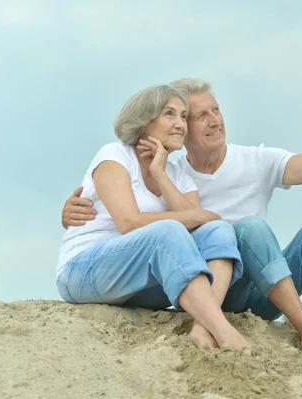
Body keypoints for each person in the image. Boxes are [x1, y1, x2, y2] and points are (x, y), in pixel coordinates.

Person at [62, 78, 302, 361]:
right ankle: (281, 327)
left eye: (216, 110)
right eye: (198, 116)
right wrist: (72, 209)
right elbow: (138, 220)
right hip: (218, 287)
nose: (213, 120)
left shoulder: (252, 161)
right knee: (245, 228)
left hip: (268, 286)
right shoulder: (169, 169)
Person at [57, 83, 248, 349]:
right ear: (144, 122)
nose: (180, 123)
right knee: (169, 231)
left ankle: (203, 327)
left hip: (136, 286)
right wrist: (193, 217)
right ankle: (224, 332)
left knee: (220, 232)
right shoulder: (114, 155)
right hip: (84, 270)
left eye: (183, 115)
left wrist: (160, 172)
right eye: (169, 114)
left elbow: (209, 225)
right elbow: (130, 224)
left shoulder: (178, 176)